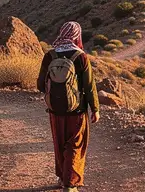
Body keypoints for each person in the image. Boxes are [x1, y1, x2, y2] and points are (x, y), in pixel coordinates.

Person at [37, 21, 100, 192]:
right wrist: (95, 109)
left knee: (59, 143)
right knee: (75, 144)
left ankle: (61, 178)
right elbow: (89, 86)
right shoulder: (81, 57)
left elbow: (40, 85)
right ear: (77, 36)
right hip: (77, 111)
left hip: (55, 111)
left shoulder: (50, 55)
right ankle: (70, 184)